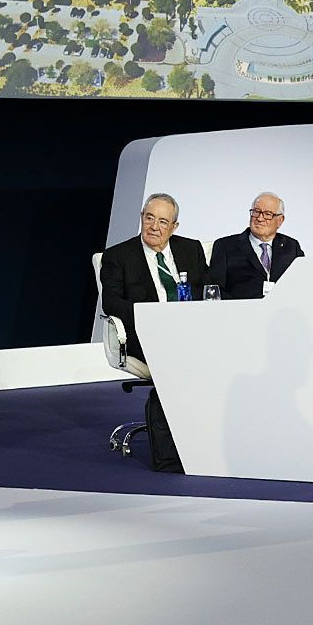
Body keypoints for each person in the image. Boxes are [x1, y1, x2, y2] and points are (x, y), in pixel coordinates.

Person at [99, 192, 209, 473]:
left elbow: (210, 291)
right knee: (176, 362)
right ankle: (169, 457)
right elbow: (111, 302)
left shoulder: (191, 250)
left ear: (174, 227)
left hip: (193, 332)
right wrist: (152, 320)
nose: (154, 227)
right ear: (141, 219)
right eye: (149, 218)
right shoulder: (118, 256)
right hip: (145, 334)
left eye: (163, 221)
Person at [207, 192, 303, 299]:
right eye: (256, 212)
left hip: (281, 311)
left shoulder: (291, 247)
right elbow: (215, 290)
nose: (260, 218)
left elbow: (303, 283)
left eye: (267, 214)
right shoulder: (225, 246)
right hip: (240, 311)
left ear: (280, 220)